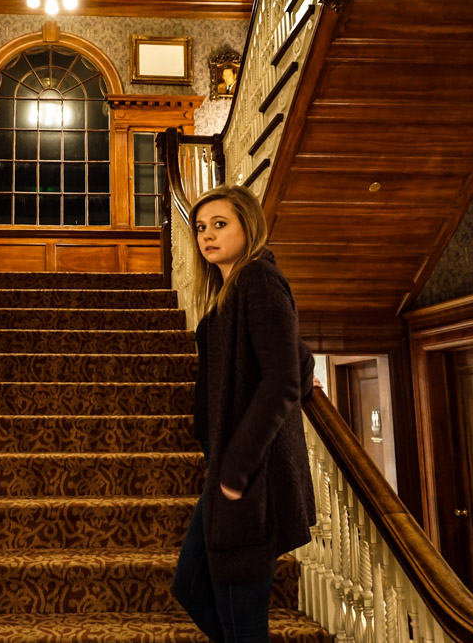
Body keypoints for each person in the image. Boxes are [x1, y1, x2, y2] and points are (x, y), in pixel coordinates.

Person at [173, 185, 317, 642]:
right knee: (193, 587)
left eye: (220, 224)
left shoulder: (259, 279)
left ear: (247, 226)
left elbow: (279, 382)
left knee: (240, 614)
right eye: (200, 228)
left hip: (250, 476)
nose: (207, 236)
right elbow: (289, 356)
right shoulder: (231, 289)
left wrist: (235, 470)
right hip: (228, 469)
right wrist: (303, 372)